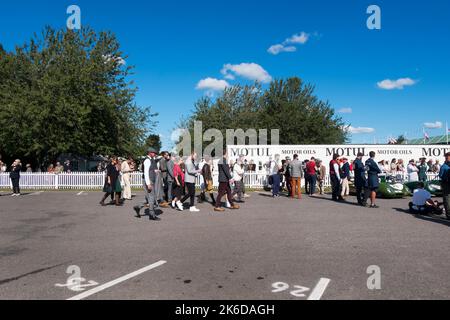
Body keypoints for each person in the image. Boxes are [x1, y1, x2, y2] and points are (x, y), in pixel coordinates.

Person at [133, 148, 161, 221]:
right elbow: (146, 173)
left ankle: (138, 207)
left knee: (148, 198)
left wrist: (155, 171)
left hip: (151, 180)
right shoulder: (147, 160)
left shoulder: (151, 160)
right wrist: (148, 184)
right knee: (151, 197)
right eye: (154, 153)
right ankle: (152, 214)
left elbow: (150, 170)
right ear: (150, 153)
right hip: (149, 181)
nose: (155, 154)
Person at [439, 152, 450, 219]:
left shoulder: (444, 166)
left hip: (446, 184)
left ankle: (448, 215)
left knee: (447, 199)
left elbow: (440, 175)